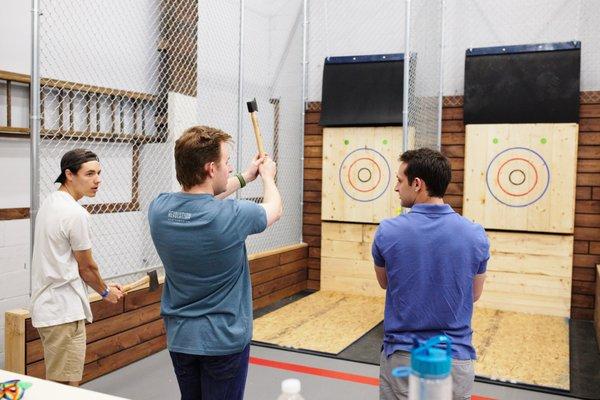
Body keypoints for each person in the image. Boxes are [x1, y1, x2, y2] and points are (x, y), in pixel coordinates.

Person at [148, 125, 282, 400]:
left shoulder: (159, 209)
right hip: (223, 341)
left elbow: (203, 199)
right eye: (226, 163)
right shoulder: (233, 215)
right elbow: (275, 209)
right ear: (211, 168)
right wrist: (268, 177)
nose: (229, 168)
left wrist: (245, 177)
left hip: (181, 340)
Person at [372, 148, 489, 400]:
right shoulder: (475, 234)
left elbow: (385, 283)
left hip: (404, 357)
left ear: (417, 184)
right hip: (455, 357)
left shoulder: (387, 231)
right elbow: (474, 294)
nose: (396, 188)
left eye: (399, 181)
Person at [30, 148, 124, 386]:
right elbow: (87, 268)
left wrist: (103, 285)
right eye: (89, 174)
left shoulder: (52, 201)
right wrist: (105, 292)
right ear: (69, 175)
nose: (97, 180)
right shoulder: (75, 213)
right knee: (66, 386)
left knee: (61, 381)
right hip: (62, 311)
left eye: (99, 173)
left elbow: (69, 263)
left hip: (50, 306)